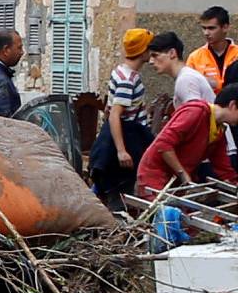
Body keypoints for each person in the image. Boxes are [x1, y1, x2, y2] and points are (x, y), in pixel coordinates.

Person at [92, 26, 155, 208]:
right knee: (119, 196)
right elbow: (115, 115)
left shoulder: (120, 71)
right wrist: (121, 150)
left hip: (122, 137)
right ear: (143, 51)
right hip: (125, 138)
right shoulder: (128, 80)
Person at [134, 92, 238, 198]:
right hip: (156, 175)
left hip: (177, 181)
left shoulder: (219, 130)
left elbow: (223, 168)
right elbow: (163, 144)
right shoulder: (196, 112)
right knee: (163, 212)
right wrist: (183, 174)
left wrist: (234, 184)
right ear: (233, 105)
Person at [148, 31, 217, 110]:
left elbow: (195, 113)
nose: (151, 61)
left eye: (155, 55)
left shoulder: (185, 79)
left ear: (172, 53)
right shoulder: (186, 76)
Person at [188, 5, 237, 100]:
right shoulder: (195, 57)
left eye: (211, 28)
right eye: (204, 28)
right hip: (207, 110)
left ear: (225, 28)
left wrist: (217, 84)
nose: (206, 33)